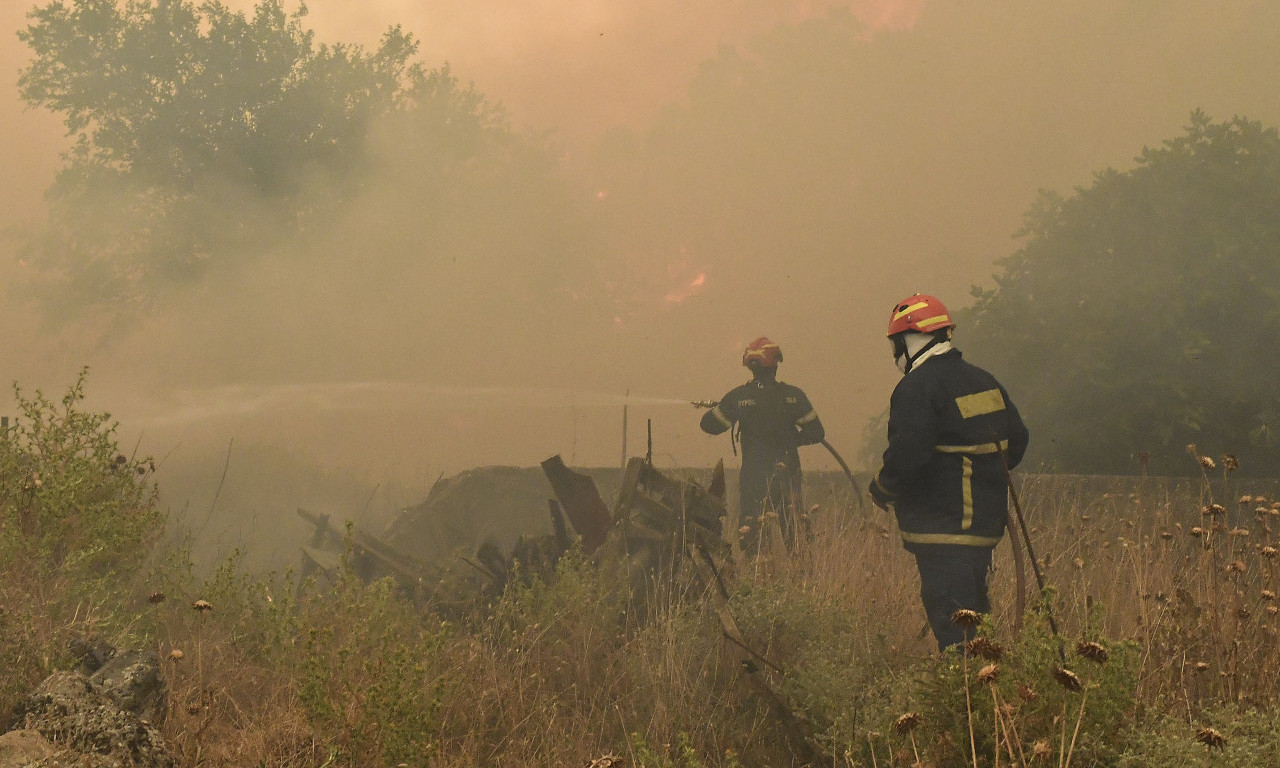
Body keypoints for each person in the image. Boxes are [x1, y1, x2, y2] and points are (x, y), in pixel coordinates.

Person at [869, 294, 1029, 652]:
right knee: (976, 625)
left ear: (909, 339)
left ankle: (963, 684)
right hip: (984, 528)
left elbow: (908, 454)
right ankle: (984, 683)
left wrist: (881, 489)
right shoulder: (983, 380)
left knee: (955, 630)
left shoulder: (918, 386)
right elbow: (1017, 440)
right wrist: (984, 474)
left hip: (943, 530)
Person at [701, 337, 825, 553]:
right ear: (776, 363)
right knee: (795, 535)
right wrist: (791, 439)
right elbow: (816, 433)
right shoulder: (793, 396)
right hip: (788, 477)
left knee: (753, 538)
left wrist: (724, 407)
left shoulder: (739, 397)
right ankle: (802, 570)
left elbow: (709, 425)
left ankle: (758, 571)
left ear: (750, 366)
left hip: (754, 479)